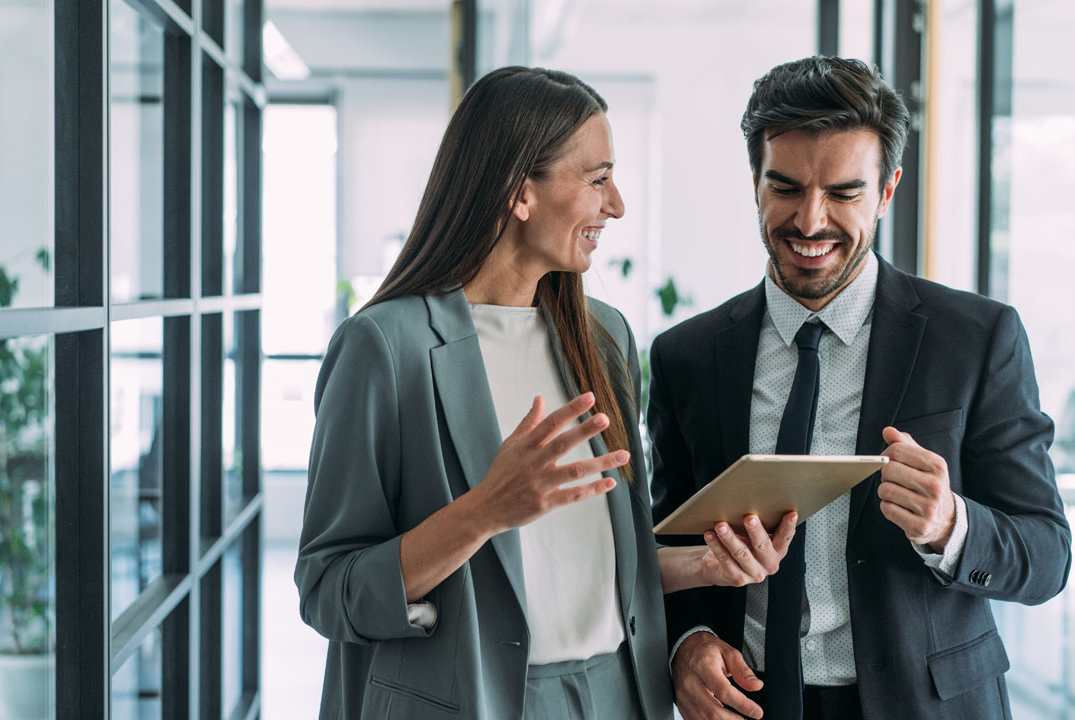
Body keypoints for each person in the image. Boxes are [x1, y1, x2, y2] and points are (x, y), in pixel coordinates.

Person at [295, 66, 797, 720]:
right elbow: (329, 591)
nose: (616, 205)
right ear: (519, 192)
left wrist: (706, 566)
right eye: (597, 179)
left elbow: (599, 565)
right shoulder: (385, 348)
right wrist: (484, 512)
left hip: (617, 696)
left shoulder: (604, 338)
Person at [648, 56, 1073, 720]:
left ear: (887, 190)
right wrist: (687, 642)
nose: (809, 221)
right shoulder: (687, 357)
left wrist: (951, 525)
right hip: (751, 705)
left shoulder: (976, 339)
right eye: (785, 187)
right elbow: (668, 545)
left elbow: (1047, 555)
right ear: (755, 182)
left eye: (844, 193)